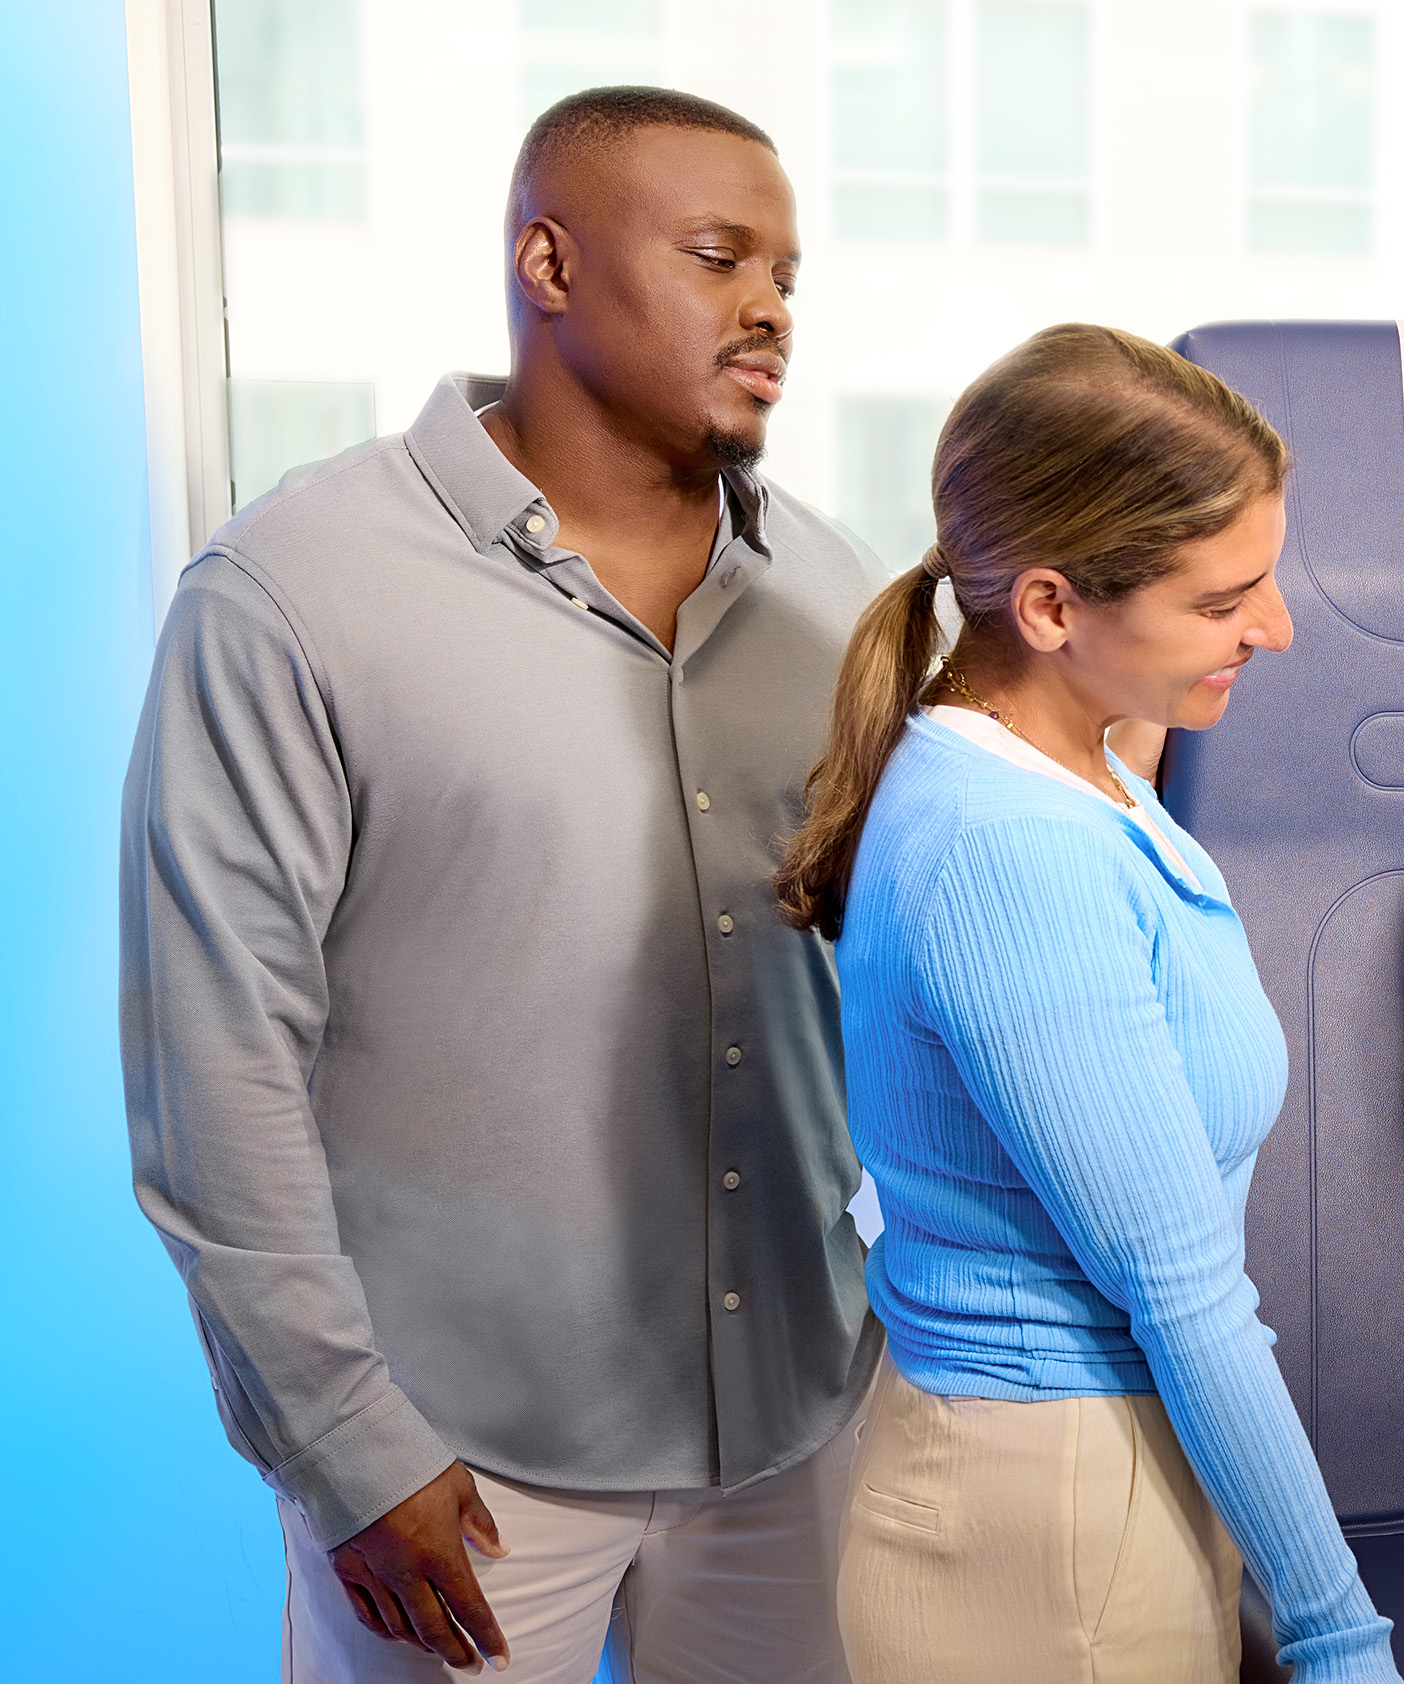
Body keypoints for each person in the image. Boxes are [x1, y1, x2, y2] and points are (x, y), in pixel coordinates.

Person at [121, 88, 882, 1681]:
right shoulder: (292, 595)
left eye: (788, 277)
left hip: (801, 1431)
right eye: (717, 257)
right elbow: (215, 1065)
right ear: (548, 260)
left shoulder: (838, 594)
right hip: (453, 1466)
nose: (768, 311)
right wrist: (344, 1443)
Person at [775, 324, 1400, 1684]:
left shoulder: (1077, 757)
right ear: (1052, 610)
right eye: (1226, 597)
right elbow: (1183, 1292)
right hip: (1050, 1522)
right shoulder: (1014, 851)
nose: (1279, 626)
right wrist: (1341, 1633)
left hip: (1092, 1477)